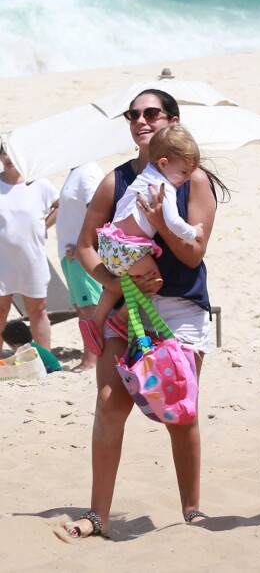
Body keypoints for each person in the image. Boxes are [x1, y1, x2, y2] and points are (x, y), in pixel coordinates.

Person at [62, 89, 229, 539]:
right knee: (109, 402)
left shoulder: (193, 180)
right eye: (132, 114)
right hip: (124, 307)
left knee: (180, 409)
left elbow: (193, 255)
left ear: (172, 121)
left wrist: (161, 218)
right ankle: (97, 515)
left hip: (181, 308)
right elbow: (83, 246)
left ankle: (192, 511)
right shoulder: (115, 181)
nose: (140, 120)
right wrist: (118, 282)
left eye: (151, 112)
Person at [78, 125, 204, 357]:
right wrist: (193, 232)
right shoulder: (163, 187)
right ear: (164, 163)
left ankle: (95, 320)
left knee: (120, 283)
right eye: (184, 172)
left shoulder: (144, 175)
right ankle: (121, 318)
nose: (186, 179)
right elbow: (173, 222)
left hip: (110, 242)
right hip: (129, 248)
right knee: (153, 281)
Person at [0, 144, 59, 355]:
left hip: (32, 258)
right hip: (2, 261)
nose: (8, 157)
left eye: (13, 152)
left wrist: (44, 225)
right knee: (0, 311)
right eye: (4, 151)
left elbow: (60, 205)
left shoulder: (39, 184)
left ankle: (46, 360)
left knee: (38, 310)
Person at [56, 162, 105, 372]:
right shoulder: (75, 170)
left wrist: (84, 245)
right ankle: (90, 358)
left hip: (81, 253)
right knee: (83, 308)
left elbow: (98, 211)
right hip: (71, 254)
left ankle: (93, 360)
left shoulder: (88, 171)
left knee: (91, 308)